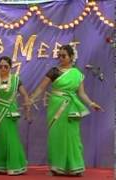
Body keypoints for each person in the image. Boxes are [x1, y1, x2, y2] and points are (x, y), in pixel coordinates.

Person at [29, 44, 103, 176]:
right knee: (56, 137)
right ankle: (56, 168)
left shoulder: (77, 74)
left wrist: (91, 103)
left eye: (64, 56)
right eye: (59, 55)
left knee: (73, 137)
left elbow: (81, 93)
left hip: (71, 109)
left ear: (71, 57)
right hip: (55, 107)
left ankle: (75, 167)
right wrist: (32, 98)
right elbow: (41, 88)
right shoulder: (54, 71)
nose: (61, 58)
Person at [0, 56, 31, 175]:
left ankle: (15, 165)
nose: (3, 68)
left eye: (6, 66)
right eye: (0, 66)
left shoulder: (16, 80)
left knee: (11, 138)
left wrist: (27, 110)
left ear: (10, 67)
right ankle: (0, 165)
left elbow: (25, 95)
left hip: (9, 113)